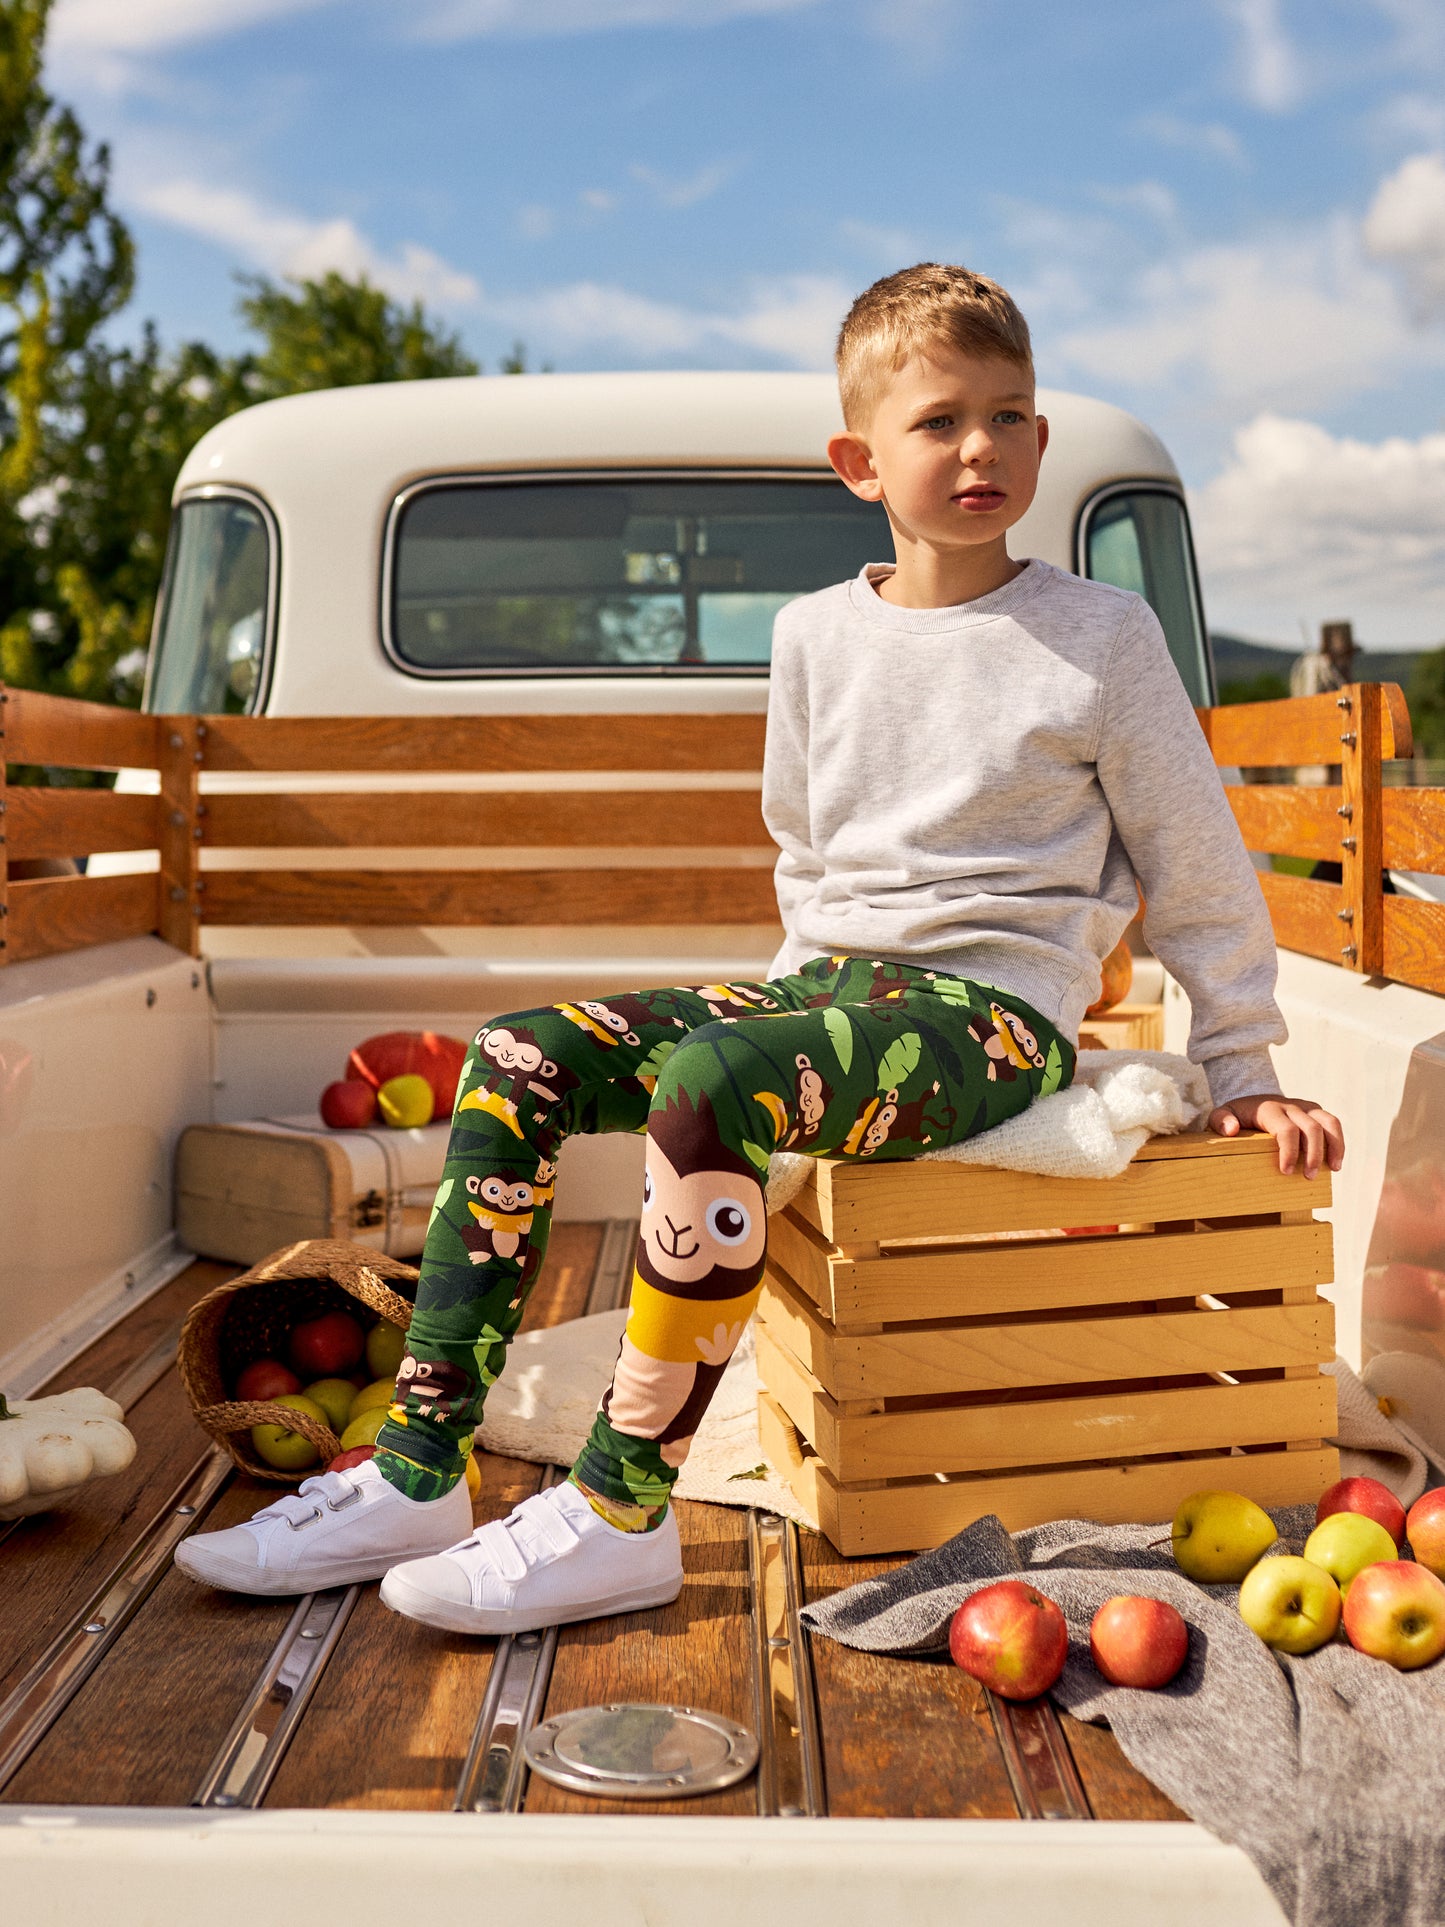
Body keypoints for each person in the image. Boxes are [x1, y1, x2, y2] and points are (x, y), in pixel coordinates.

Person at [176, 263, 1345, 1630]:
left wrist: (1239, 1053)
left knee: (714, 1084)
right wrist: (791, 1018)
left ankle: (619, 1510)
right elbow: (808, 851)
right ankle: (419, 1469)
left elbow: (1195, 862)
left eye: (1009, 415)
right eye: (938, 419)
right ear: (857, 460)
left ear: (1038, 441)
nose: (980, 446)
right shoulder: (812, 639)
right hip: (833, 986)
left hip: (990, 1014)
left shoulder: (1099, 635)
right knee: (517, 1058)